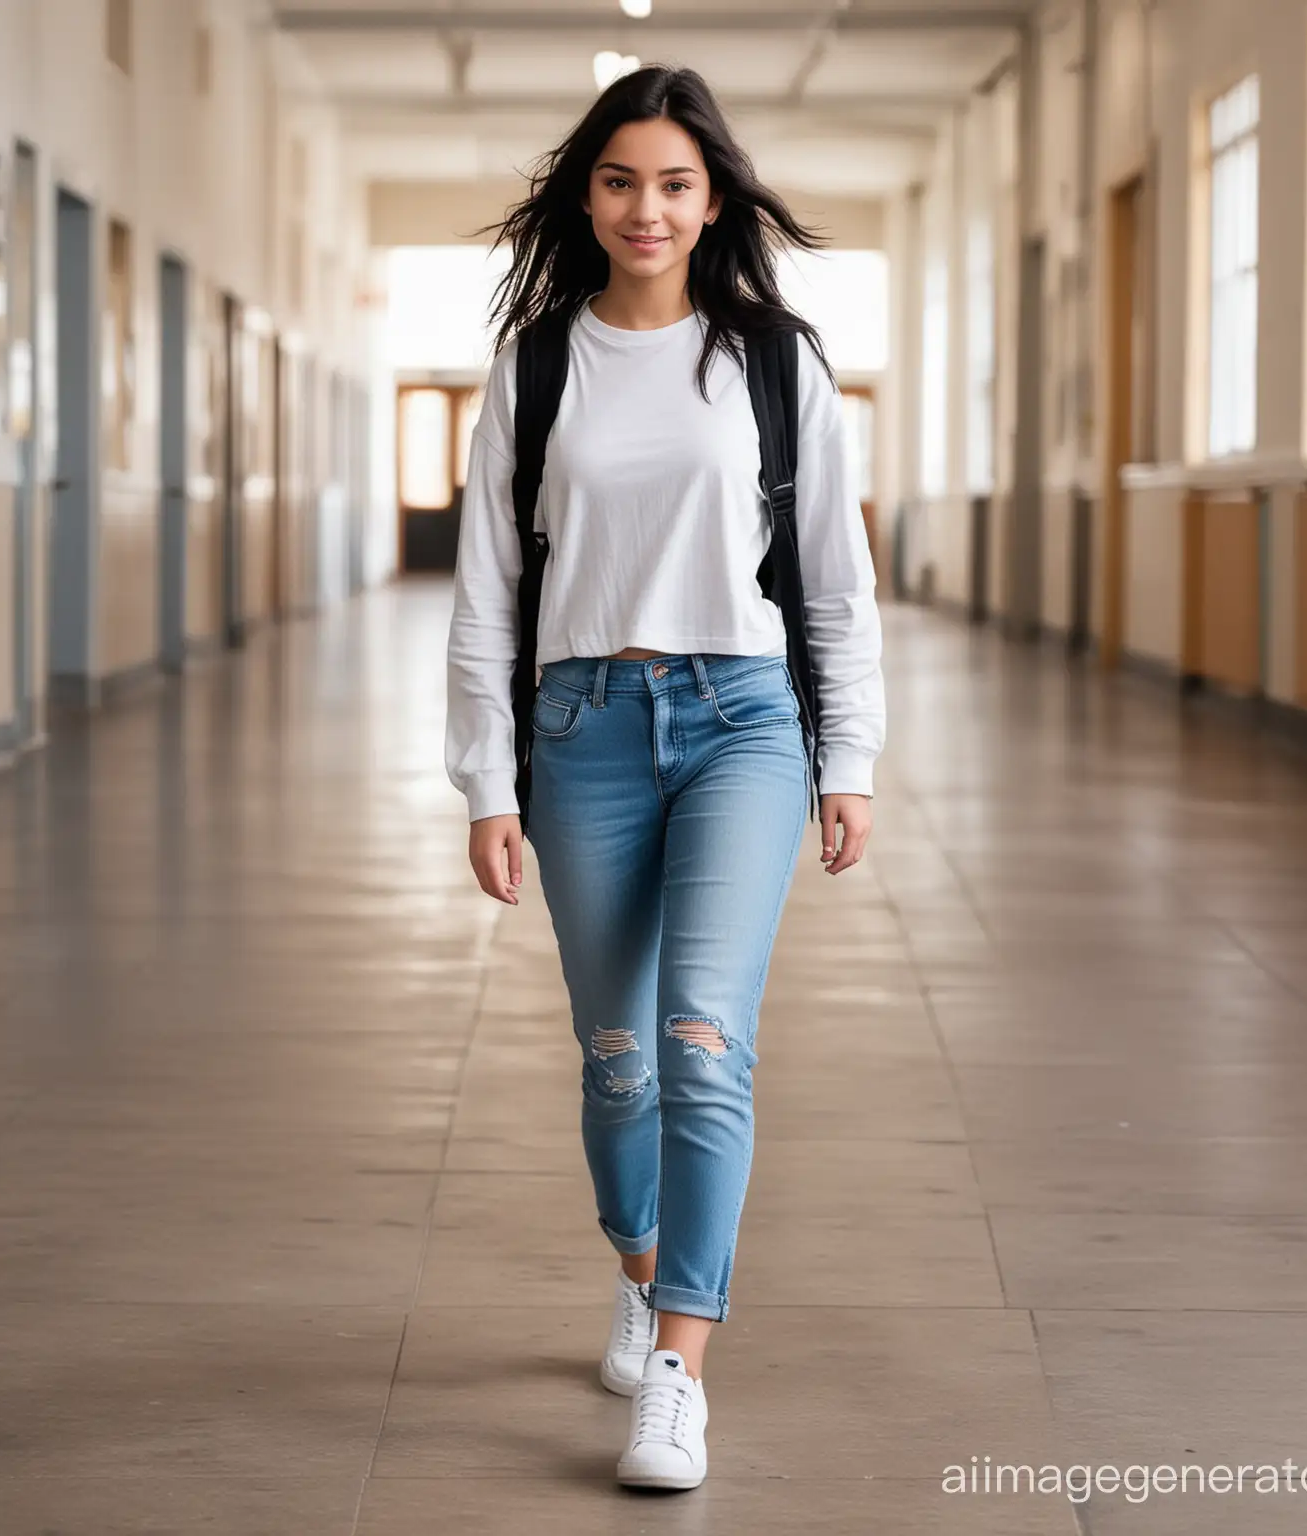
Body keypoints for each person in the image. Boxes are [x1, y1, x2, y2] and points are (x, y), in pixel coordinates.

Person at [444, 64, 885, 1492]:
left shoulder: (772, 361)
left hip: (744, 720)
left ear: (713, 202)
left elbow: (835, 581)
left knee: (701, 1037)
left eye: (677, 184)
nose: (649, 207)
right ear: (590, 194)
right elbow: (490, 594)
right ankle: (640, 1273)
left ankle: (683, 1367)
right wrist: (483, 782)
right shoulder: (539, 367)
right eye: (623, 180)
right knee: (618, 1059)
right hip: (582, 731)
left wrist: (851, 756)